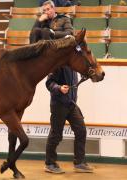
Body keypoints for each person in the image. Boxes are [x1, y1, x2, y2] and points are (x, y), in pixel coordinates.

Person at [30, 0, 93, 174]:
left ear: (54, 8)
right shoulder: (55, 64)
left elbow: (69, 35)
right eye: (45, 9)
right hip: (59, 102)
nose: (47, 11)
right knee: (56, 135)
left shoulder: (72, 60)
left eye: (49, 8)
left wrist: (49, 32)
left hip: (71, 102)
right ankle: (50, 163)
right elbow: (49, 83)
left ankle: (79, 162)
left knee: (81, 130)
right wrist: (59, 88)